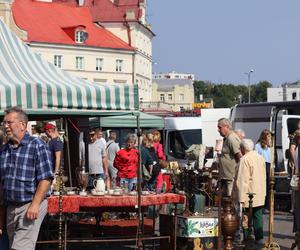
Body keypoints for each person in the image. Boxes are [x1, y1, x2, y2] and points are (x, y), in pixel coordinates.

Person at [0, 107, 53, 250]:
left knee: (20, 247)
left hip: (29, 204)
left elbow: (46, 178)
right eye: (4, 123)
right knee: (12, 245)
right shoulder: (5, 150)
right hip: (11, 207)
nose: (5, 126)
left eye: (9, 123)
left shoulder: (37, 145)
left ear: (23, 125)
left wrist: (35, 205)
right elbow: (2, 183)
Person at [235, 139, 266, 245]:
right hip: (259, 191)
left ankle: (247, 237)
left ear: (243, 148)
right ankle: (259, 237)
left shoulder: (245, 159)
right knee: (258, 214)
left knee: (246, 216)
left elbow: (242, 180)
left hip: (248, 193)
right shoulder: (260, 157)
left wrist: (240, 198)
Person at [218, 118, 242, 196]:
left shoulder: (231, 138)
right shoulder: (227, 138)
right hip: (226, 176)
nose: (218, 130)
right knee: (226, 201)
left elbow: (239, 155)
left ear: (226, 126)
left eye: (220, 127)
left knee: (230, 200)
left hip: (231, 177)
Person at [255, 129, 271, 210]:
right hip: (262, 165)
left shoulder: (269, 146)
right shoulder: (258, 145)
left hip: (269, 165)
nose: (269, 137)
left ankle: (267, 204)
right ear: (264, 136)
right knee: (262, 184)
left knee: (269, 185)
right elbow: (256, 156)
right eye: (268, 136)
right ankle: (261, 203)